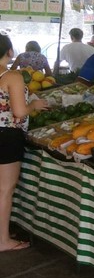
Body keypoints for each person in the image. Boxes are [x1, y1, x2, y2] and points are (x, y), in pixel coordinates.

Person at [0, 34, 49, 252]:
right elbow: (19, 112)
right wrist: (34, 105)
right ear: (10, 51)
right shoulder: (12, 76)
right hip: (7, 136)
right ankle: (3, 241)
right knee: (5, 190)